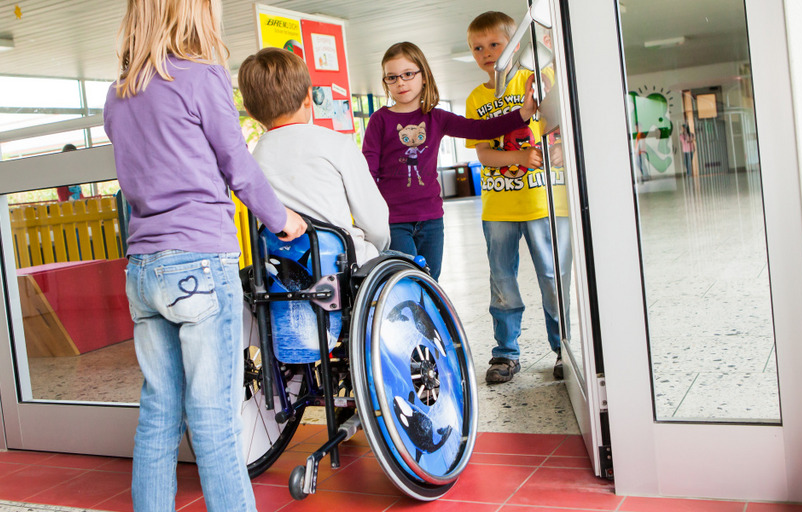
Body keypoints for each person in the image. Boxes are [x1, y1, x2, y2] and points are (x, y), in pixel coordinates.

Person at [102, 1, 307, 511]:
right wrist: (283, 219)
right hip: (198, 261)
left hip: (144, 268)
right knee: (214, 414)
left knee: (159, 413)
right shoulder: (201, 77)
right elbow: (237, 164)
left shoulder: (118, 93)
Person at [362, 41, 538, 280]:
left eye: (407, 74)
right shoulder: (379, 120)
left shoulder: (437, 117)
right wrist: (367, 215)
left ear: (423, 76)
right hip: (394, 221)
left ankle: (431, 319)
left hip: (432, 219)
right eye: (391, 78)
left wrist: (524, 114)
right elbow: (367, 171)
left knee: (431, 283)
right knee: (407, 281)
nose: (400, 82)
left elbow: (482, 129)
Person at [465, 11, 572, 383]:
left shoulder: (540, 81)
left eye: (495, 44)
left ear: (515, 44)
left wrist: (560, 149)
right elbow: (482, 153)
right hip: (499, 208)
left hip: (546, 204)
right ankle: (505, 354)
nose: (486, 52)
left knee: (552, 279)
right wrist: (518, 157)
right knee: (502, 283)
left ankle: (565, 349)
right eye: (478, 47)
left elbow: (564, 128)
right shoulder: (476, 98)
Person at [238, 47, 390, 265]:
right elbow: (375, 222)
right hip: (346, 266)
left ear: (249, 111)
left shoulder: (254, 160)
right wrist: (377, 248)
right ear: (309, 97)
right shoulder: (337, 144)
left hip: (283, 270)